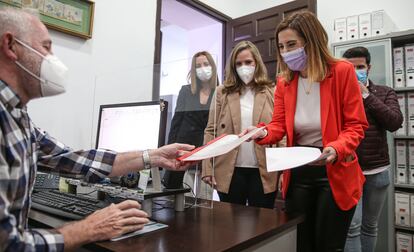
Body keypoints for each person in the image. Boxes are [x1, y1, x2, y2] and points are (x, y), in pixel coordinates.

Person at [0, 8, 194, 251]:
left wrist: (154, 156)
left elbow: (71, 160)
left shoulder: (18, 116)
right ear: (10, 45)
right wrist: (89, 228)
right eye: (46, 47)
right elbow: (8, 245)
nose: (52, 58)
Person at [244, 11, 369, 251]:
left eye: (292, 44)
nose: (285, 52)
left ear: (311, 41)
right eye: (281, 46)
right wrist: (260, 133)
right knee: (301, 245)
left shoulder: (341, 72)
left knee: (329, 246)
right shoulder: (284, 81)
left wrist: (335, 147)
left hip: (334, 169)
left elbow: (356, 126)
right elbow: (278, 125)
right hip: (299, 172)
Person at [201, 40, 283, 209]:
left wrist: (284, 171)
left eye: (248, 62)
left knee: (263, 224)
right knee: (230, 224)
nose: (243, 67)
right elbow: (211, 130)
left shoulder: (272, 91)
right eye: (238, 63)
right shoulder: (222, 92)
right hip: (229, 170)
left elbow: (282, 132)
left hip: (264, 170)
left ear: (257, 63)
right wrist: (207, 168)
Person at [342, 47, 403, 252]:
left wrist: (366, 95)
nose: (355, 71)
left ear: (369, 68)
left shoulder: (385, 92)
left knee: (370, 226)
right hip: (349, 170)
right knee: (352, 228)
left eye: (360, 67)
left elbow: (394, 122)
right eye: (350, 68)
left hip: (377, 172)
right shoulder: (339, 95)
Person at [167, 51, 218, 196]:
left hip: (208, 152)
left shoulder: (220, 92)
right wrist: (171, 150)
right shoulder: (186, 91)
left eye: (206, 64)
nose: (202, 68)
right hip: (185, 151)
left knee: (205, 199)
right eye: (198, 66)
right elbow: (176, 122)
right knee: (184, 197)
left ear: (212, 67)